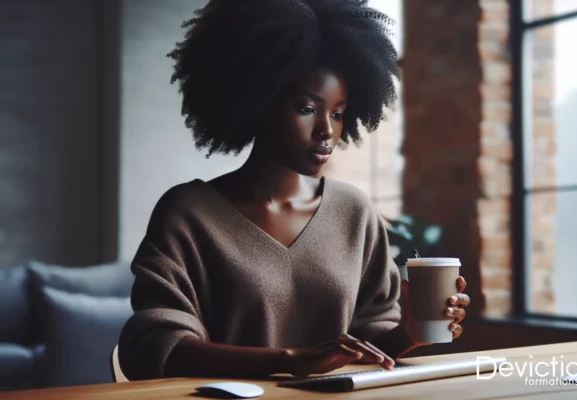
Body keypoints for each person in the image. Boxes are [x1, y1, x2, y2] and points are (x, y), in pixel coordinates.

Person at [118, 0, 470, 381]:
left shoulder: (355, 213)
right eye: (307, 108)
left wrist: (410, 335)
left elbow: (369, 345)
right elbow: (152, 346)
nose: (327, 131)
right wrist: (287, 360)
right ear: (258, 103)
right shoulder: (188, 214)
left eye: (337, 113)